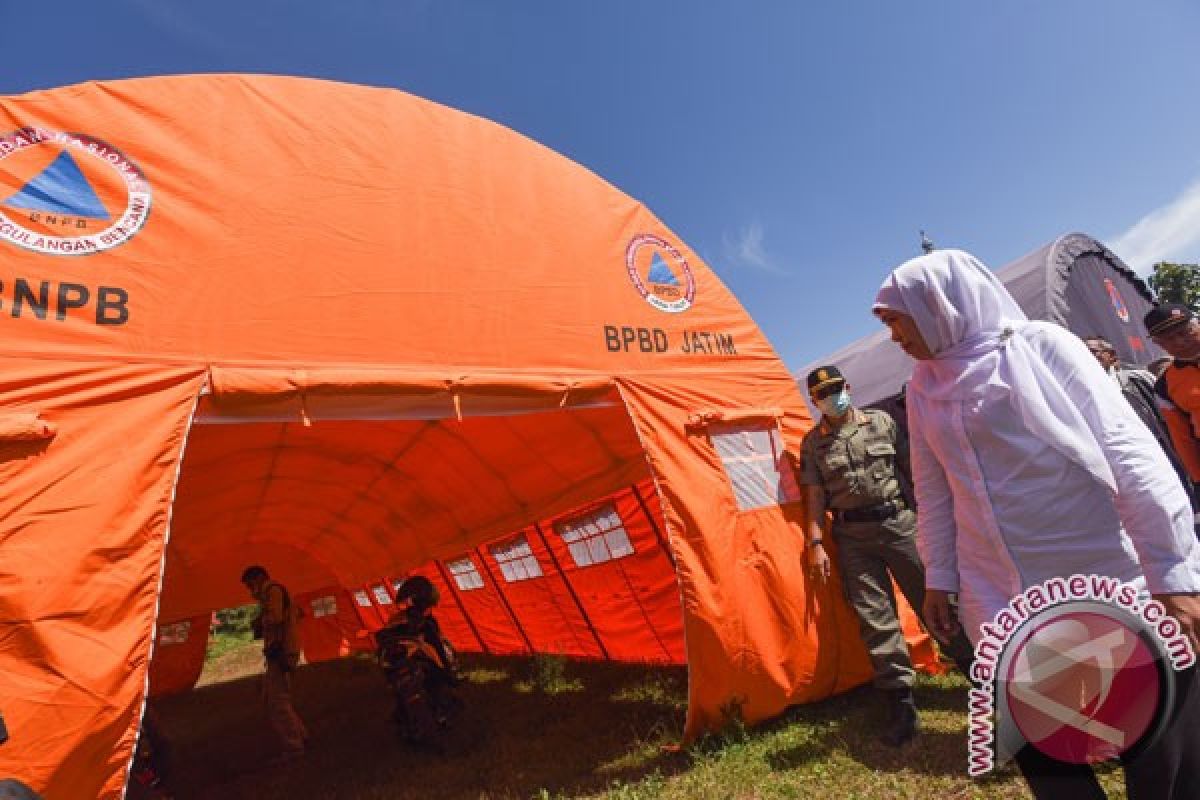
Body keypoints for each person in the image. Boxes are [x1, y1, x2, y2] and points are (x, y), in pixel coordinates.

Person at [875, 249, 1200, 799]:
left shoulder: (1039, 348)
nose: (894, 337)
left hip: (1101, 575)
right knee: (1042, 747)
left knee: (1158, 738)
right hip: (1001, 599)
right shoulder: (922, 386)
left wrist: (1173, 573)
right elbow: (934, 492)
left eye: (895, 320)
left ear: (937, 305)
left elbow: (1129, 454)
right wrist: (941, 578)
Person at [795, 365, 973, 747]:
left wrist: (935, 521)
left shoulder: (882, 423)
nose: (831, 397)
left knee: (937, 601)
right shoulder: (812, 444)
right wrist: (815, 544)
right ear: (814, 401)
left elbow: (918, 471)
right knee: (875, 618)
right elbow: (814, 498)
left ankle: (979, 673)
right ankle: (900, 702)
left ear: (848, 387)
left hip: (899, 525)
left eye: (836, 389)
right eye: (822, 393)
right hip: (852, 537)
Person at [1082, 334, 1195, 509]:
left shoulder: (1137, 379)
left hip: (1162, 446)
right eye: (1081, 353)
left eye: (1092, 352)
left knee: (1182, 495)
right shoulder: (1082, 392)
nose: (1086, 357)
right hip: (1124, 458)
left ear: (1111, 355)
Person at [241, 565, 308, 763]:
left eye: (250, 584)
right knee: (278, 698)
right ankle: (301, 736)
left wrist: (259, 622)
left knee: (277, 702)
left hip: (281, 651)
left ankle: (294, 747)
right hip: (284, 650)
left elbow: (276, 617)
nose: (250, 590)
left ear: (259, 578)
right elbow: (297, 613)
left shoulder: (273, 591)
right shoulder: (276, 591)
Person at [1145, 304, 1200, 491]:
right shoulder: (1164, 386)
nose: (1180, 341)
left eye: (1186, 331)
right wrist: (1197, 479)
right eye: (1169, 338)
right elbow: (1181, 437)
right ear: (1157, 343)